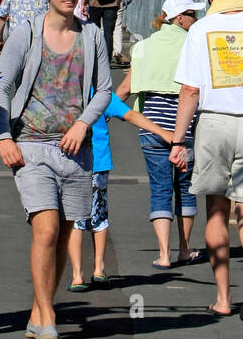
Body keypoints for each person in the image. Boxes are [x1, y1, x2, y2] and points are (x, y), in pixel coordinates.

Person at [0, 0, 112, 339]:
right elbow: (0, 87)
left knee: (62, 235)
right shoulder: (25, 33)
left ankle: (38, 309)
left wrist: (82, 123)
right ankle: (48, 317)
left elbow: (105, 89)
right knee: (44, 229)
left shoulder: (91, 35)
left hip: (75, 148)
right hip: (31, 144)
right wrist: (3, 136)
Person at [169, 0, 243, 322]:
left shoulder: (199, 29)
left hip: (213, 122)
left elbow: (190, 91)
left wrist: (178, 140)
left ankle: (223, 298)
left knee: (216, 211)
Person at [116, 0, 204, 269]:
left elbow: (126, 88)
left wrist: (100, 116)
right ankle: (184, 250)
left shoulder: (143, 47)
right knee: (186, 189)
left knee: (160, 188)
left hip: (151, 126)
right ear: (179, 18)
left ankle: (164, 253)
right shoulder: (194, 46)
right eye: (192, 14)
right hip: (184, 128)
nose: (196, 19)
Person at [67, 92, 175, 290]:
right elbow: (131, 115)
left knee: (74, 218)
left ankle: (76, 274)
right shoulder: (99, 93)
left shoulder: (66, 90)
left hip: (71, 160)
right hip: (98, 162)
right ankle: (99, 267)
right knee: (98, 214)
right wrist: (163, 132)